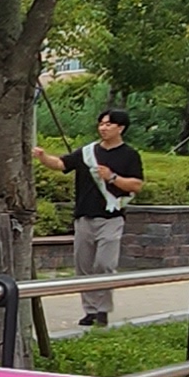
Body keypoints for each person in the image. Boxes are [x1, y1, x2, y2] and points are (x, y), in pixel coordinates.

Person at [66, 106, 146, 324]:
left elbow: (136, 185)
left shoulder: (130, 155)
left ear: (121, 128)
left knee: (104, 264)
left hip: (111, 217)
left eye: (108, 124)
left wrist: (112, 177)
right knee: (83, 266)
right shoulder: (87, 152)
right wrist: (43, 157)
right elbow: (61, 164)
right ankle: (90, 310)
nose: (103, 128)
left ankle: (102, 309)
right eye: (101, 124)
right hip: (84, 216)